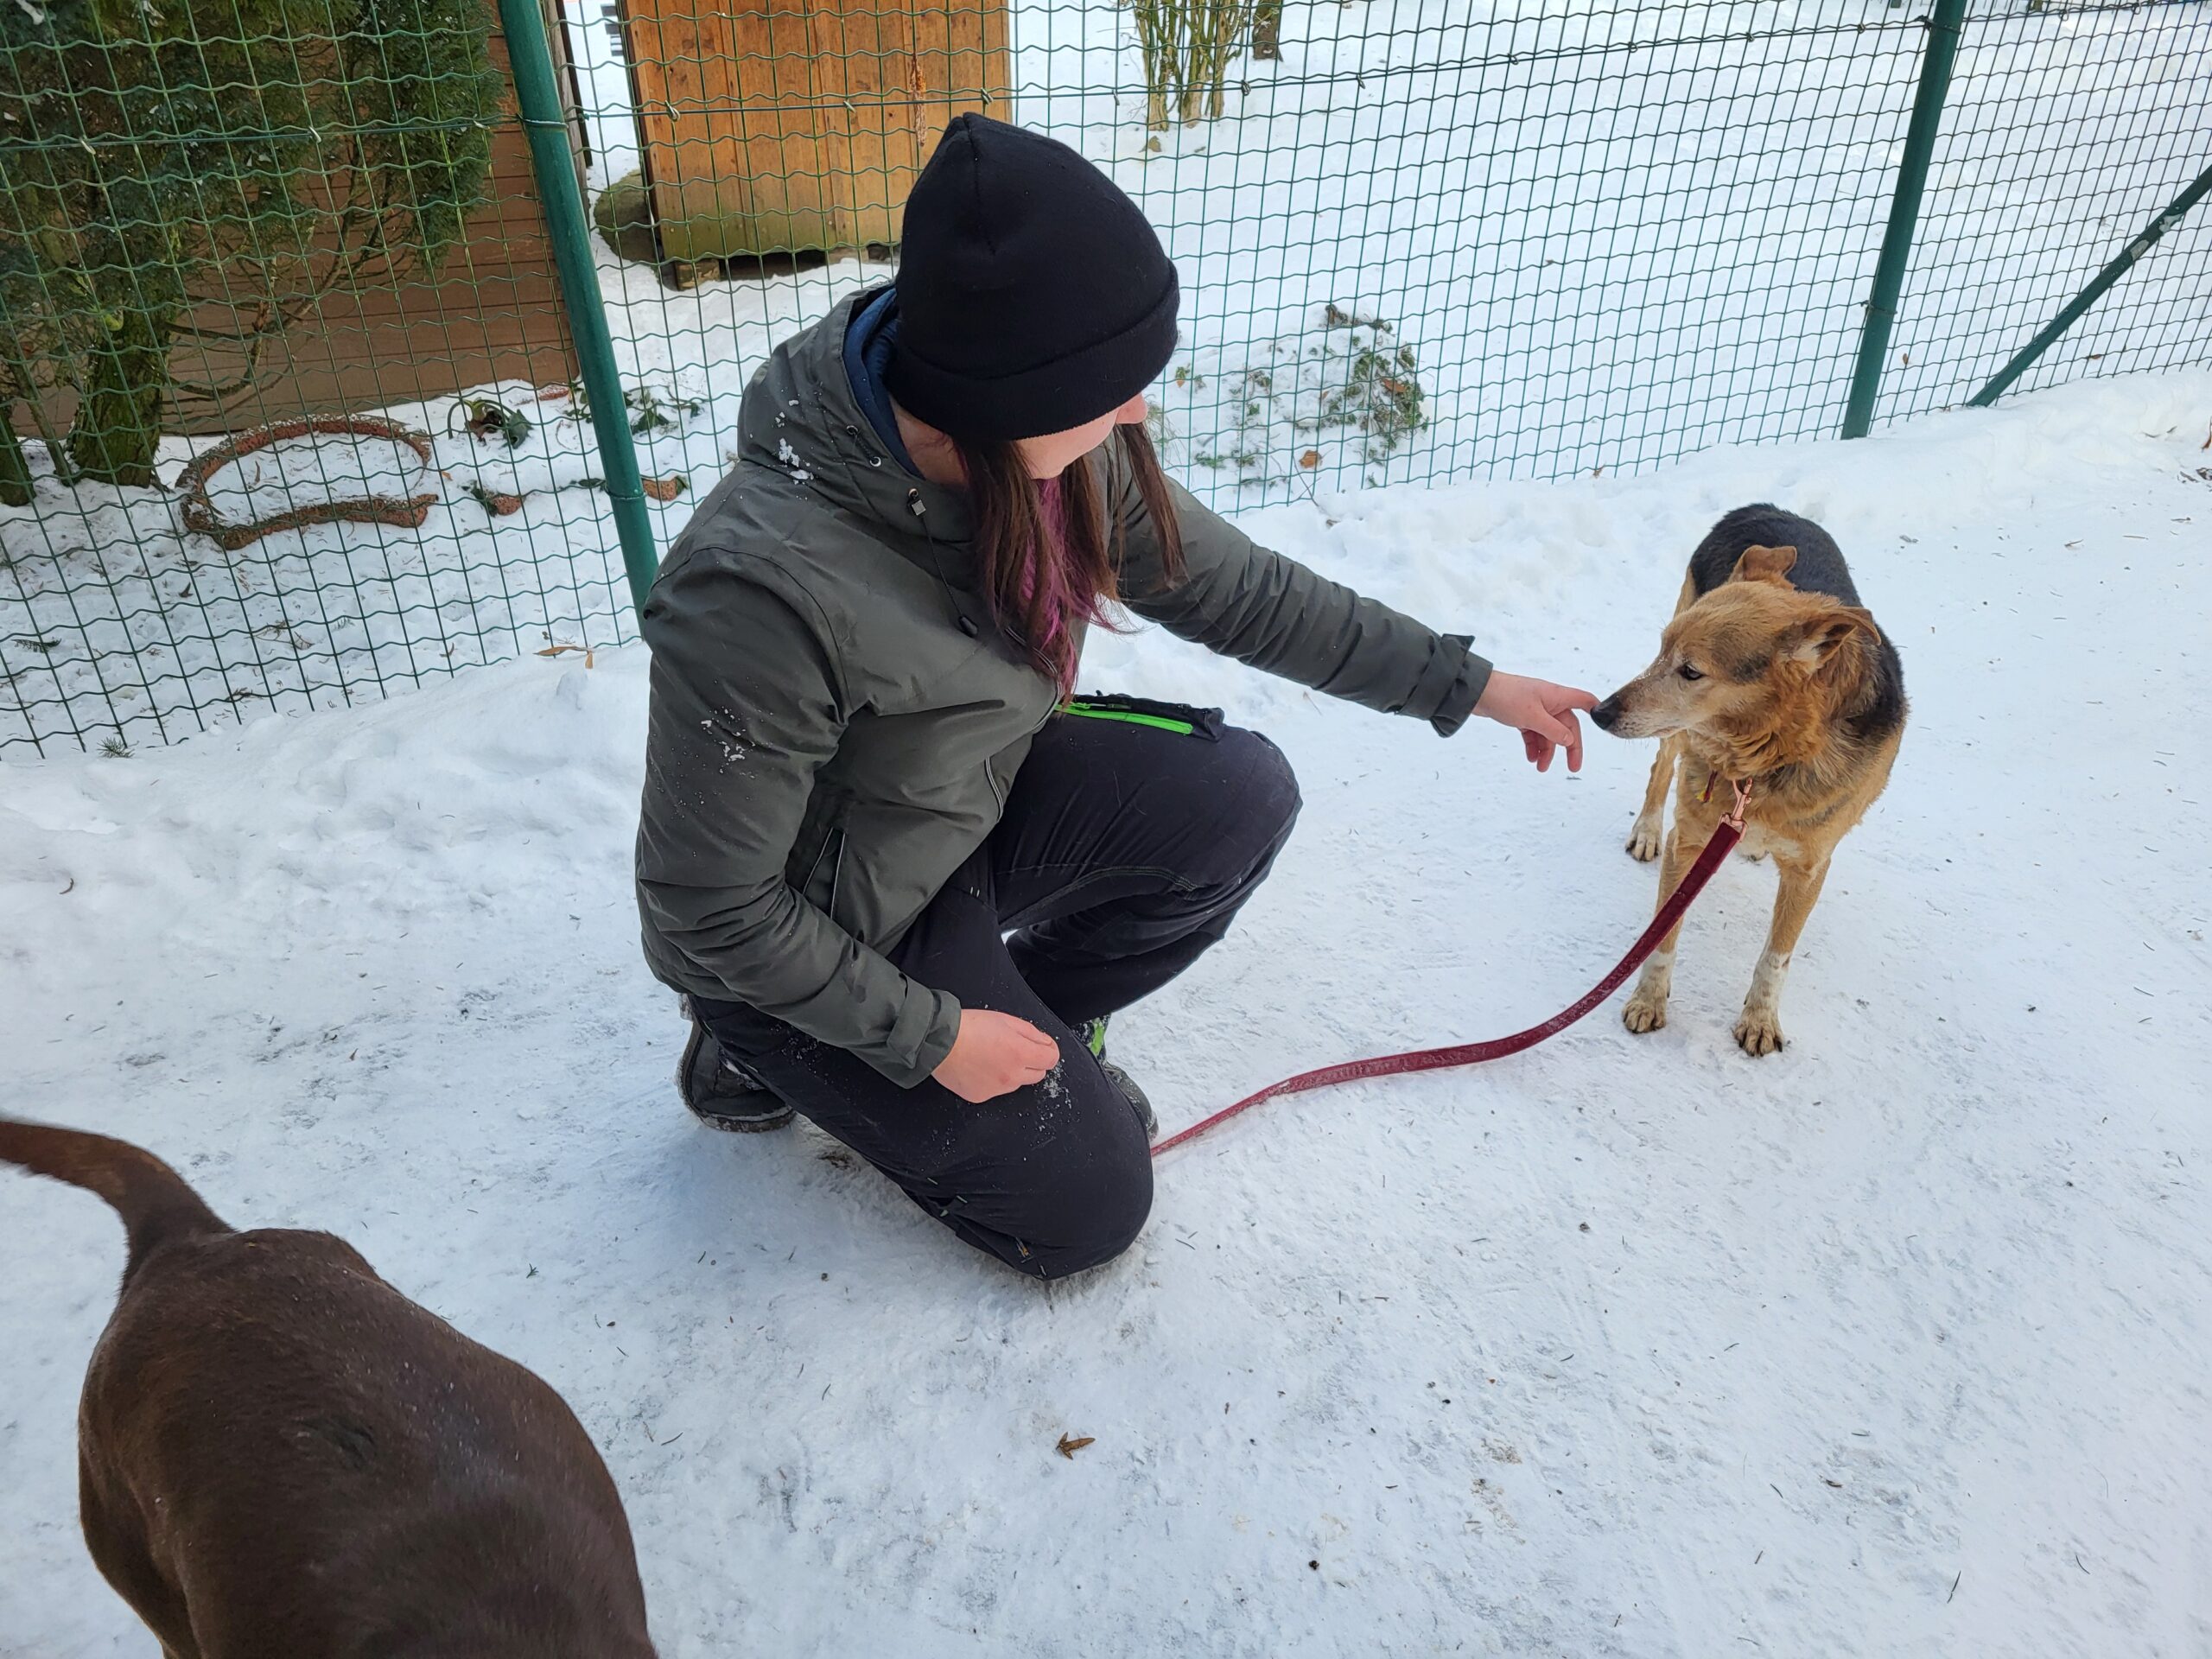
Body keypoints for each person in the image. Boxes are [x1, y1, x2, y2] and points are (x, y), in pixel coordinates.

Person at [636, 114, 1596, 1280]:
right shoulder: (761, 593)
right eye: (1109, 391)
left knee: (1235, 795)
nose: (1137, 413)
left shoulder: (1035, 455)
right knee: (1086, 1214)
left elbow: (1244, 591)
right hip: (827, 929)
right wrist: (933, 1039)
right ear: (999, 402)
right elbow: (709, 913)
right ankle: (753, 1051)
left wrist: (1471, 686)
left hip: (955, 802)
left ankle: (1038, 1022)